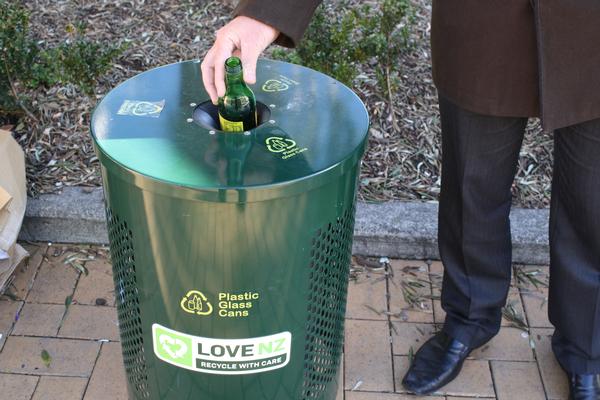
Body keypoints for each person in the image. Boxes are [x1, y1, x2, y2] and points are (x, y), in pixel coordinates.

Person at [201, 1, 600, 398]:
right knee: (473, 189)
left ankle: (587, 348)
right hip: (486, 25)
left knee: (592, 202)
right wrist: (266, 13)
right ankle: (469, 319)